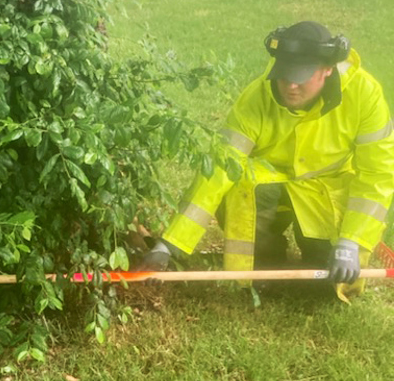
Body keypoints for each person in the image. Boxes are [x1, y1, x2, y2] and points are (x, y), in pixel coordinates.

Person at [138, 21, 394, 298]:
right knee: (242, 185)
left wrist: (350, 242)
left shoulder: (364, 94)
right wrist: (169, 245)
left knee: (325, 289)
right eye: (285, 75)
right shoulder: (257, 97)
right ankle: (266, 260)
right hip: (269, 185)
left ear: (327, 70)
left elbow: (378, 174)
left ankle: (321, 252)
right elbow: (220, 168)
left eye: (302, 76)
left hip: (328, 190)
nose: (291, 86)